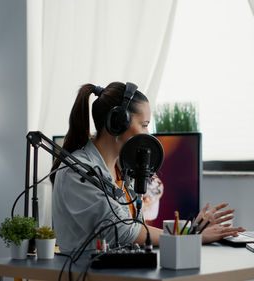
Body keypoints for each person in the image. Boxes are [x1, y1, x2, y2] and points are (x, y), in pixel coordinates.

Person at [51, 82, 244, 252]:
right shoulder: (78, 172)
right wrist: (194, 238)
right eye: (144, 124)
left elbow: (137, 229)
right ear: (118, 122)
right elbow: (124, 232)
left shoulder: (122, 171)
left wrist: (192, 230)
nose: (148, 133)